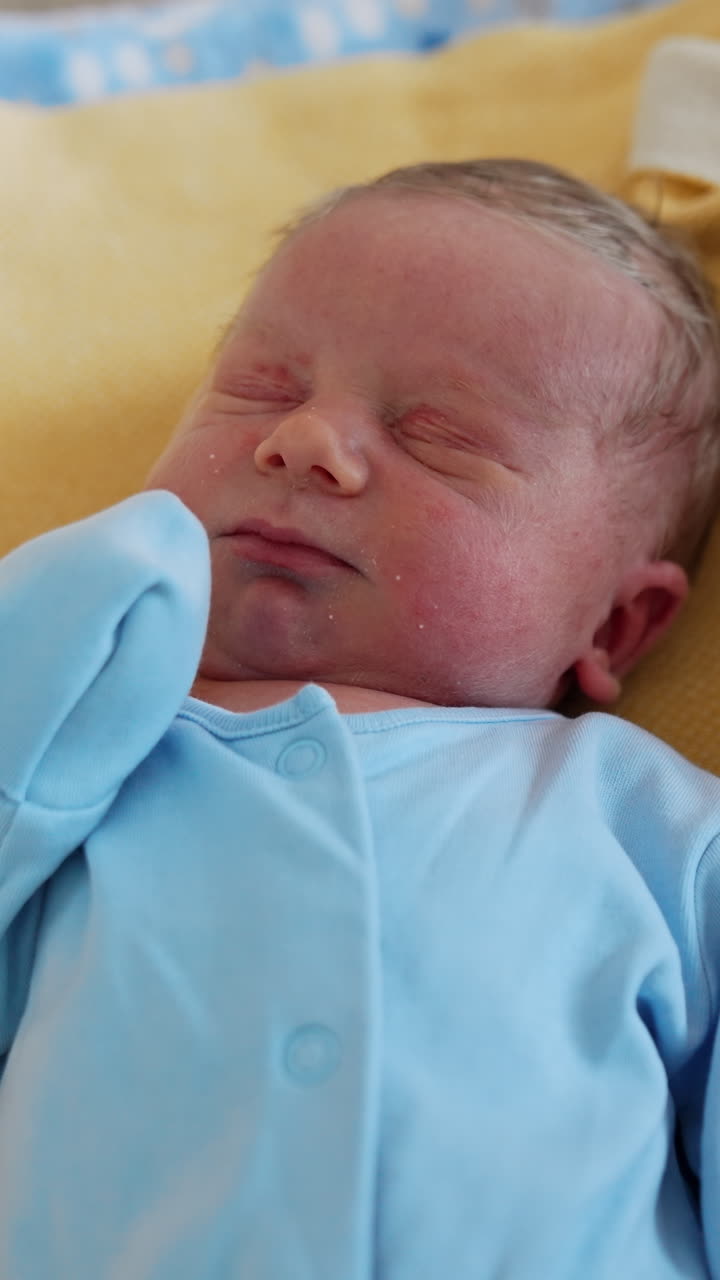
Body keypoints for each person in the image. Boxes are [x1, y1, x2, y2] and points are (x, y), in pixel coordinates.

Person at [2, 158, 720, 1278]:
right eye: (261, 386)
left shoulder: (644, 820)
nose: (304, 442)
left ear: (617, 624)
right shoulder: (79, 752)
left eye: (442, 434)